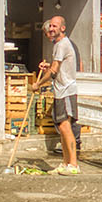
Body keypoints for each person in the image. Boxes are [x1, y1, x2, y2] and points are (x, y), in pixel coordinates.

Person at [32, 15, 80, 175]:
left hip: (66, 91)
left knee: (66, 126)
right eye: (50, 26)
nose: (51, 29)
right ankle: (66, 163)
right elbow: (55, 67)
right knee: (61, 127)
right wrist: (47, 66)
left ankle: (73, 164)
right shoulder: (58, 45)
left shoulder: (62, 44)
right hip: (60, 91)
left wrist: (38, 84)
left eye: (54, 26)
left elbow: (53, 71)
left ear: (63, 28)